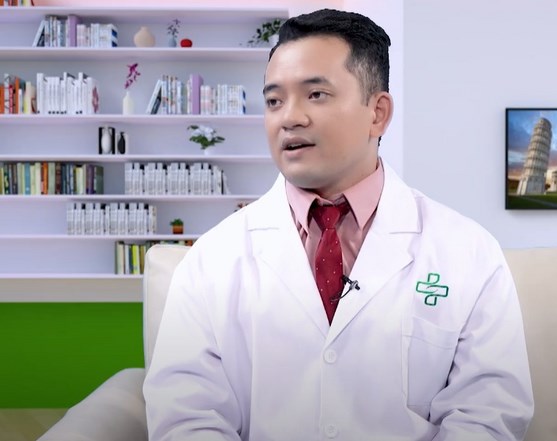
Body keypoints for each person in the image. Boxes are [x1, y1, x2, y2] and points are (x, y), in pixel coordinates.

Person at [144, 8, 534, 440]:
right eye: (274, 101)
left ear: (377, 113)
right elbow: (186, 416)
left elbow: (487, 412)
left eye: (316, 94)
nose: (289, 117)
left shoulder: (468, 251)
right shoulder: (212, 259)